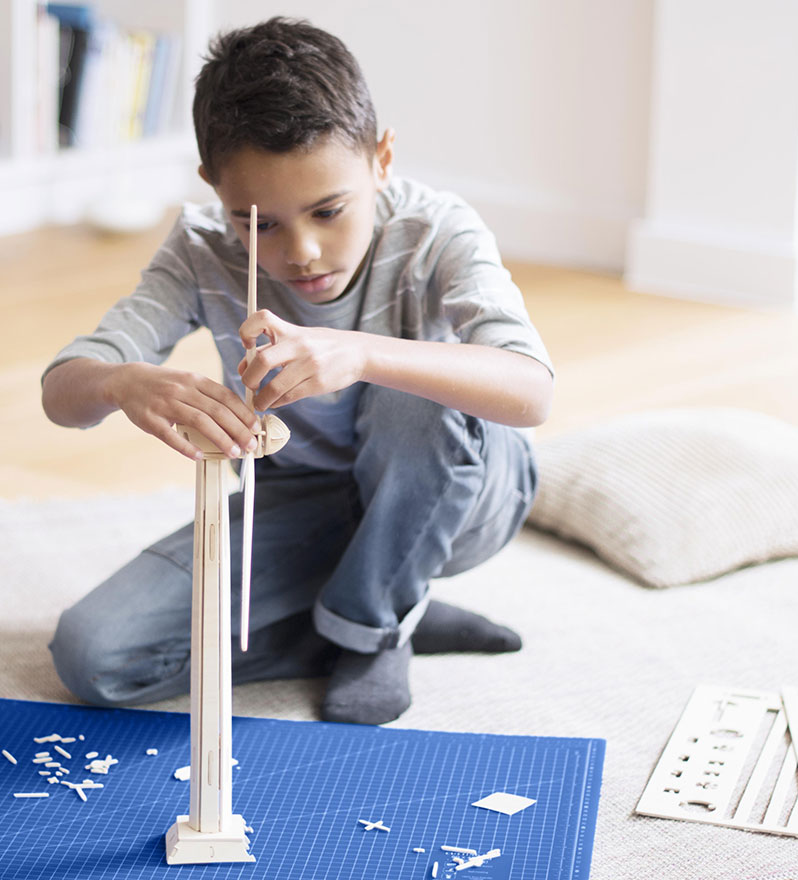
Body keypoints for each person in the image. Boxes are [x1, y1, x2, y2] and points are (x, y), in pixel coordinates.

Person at [40, 17, 553, 725]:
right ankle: (372, 619)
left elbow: (531, 392)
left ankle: (371, 625)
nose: (303, 251)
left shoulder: (438, 233)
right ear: (215, 190)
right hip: (302, 500)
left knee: (414, 394)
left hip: (460, 494)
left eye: (328, 210)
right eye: (261, 224)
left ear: (382, 158)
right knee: (94, 656)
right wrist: (119, 383)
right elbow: (62, 392)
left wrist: (365, 355)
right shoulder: (201, 250)